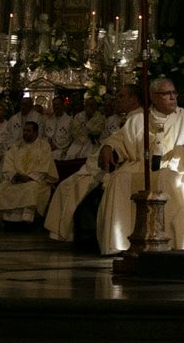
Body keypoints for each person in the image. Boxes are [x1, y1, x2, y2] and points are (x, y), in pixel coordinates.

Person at [97, 78, 184, 254]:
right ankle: (121, 242)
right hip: (141, 167)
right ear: (153, 96)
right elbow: (119, 138)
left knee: (166, 178)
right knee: (120, 180)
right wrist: (108, 146)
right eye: (166, 94)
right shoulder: (138, 119)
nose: (172, 97)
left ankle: (172, 239)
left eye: (174, 93)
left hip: (176, 167)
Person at [44, 86, 131, 245]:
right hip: (97, 160)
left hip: (117, 166)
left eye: (121, 97)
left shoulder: (134, 118)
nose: (117, 101)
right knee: (67, 186)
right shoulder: (121, 119)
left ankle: (87, 234)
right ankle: (75, 233)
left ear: (134, 99)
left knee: (79, 187)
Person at [0, 120, 57, 227]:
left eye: (29, 131)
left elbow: (45, 166)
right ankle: (5, 219)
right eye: (24, 130)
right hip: (17, 179)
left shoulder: (44, 147)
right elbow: (8, 164)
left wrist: (30, 177)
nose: (25, 133)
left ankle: (26, 219)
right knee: (4, 186)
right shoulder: (15, 147)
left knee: (31, 188)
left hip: (36, 180)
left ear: (36, 133)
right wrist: (14, 176)